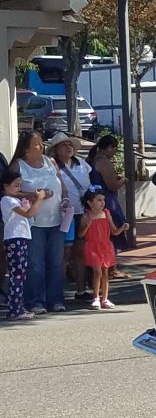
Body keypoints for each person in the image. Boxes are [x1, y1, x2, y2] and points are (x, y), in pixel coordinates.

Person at [10, 131, 68, 313]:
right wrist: (31, 195)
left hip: (57, 220)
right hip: (33, 223)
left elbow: (62, 184)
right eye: (36, 144)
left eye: (41, 143)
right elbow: (9, 191)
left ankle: (56, 300)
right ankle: (35, 301)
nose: (41, 146)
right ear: (26, 149)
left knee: (56, 262)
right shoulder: (18, 166)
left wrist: (65, 199)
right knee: (34, 263)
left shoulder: (50, 162)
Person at [49, 132, 91, 299]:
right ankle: (57, 292)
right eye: (64, 145)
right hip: (64, 214)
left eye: (70, 144)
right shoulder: (53, 166)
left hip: (82, 212)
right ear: (56, 149)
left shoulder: (83, 164)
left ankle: (81, 290)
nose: (68, 147)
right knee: (64, 254)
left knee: (80, 252)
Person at [2, 169, 45, 320]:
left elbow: (30, 212)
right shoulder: (7, 200)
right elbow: (28, 214)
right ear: (5, 186)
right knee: (17, 275)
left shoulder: (15, 200)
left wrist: (33, 202)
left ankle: (17, 306)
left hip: (21, 237)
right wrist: (39, 200)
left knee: (20, 274)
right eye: (15, 185)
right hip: (15, 238)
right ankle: (15, 309)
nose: (19, 188)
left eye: (20, 185)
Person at [78, 188, 128, 309]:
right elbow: (80, 235)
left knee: (105, 272)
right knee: (97, 271)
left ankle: (105, 298)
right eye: (98, 200)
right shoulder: (86, 216)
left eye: (103, 200)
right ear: (90, 203)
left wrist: (122, 228)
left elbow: (114, 232)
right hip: (92, 246)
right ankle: (96, 297)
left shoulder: (106, 213)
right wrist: (87, 226)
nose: (102, 203)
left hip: (105, 246)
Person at [86, 134, 130, 267]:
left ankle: (103, 265)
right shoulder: (104, 161)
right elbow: (112, 185)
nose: (116, 151)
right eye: (115, 148)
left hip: (94, 199)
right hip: (107, 200)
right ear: (110, 148)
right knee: (112, 234)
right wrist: (123, 180)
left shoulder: (90, 159)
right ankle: (110, 267)